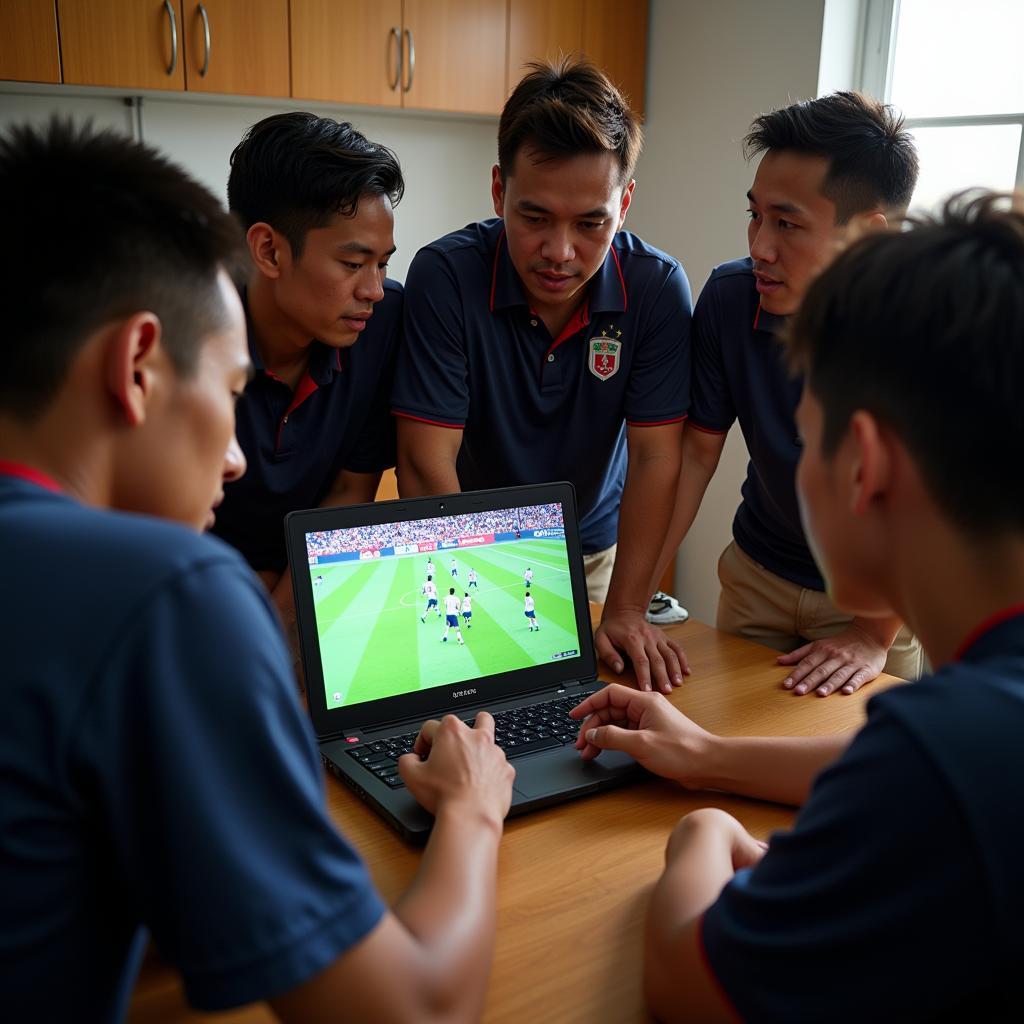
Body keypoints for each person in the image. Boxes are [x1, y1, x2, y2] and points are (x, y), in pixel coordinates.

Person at [0, 119, 514, 1023]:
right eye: (229, 388)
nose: (238, 460)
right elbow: (418, 1012)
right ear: (136, 365)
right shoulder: (168, 597)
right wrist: (473, 809)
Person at [573, 193, 1024, 1020]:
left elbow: (689, 981)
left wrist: (704, 830)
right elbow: (898, 779)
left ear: (866, 468)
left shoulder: (948, 745)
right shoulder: (972, 726)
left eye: (809, 436)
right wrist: (707, 752)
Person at [393, 57, 692, 694]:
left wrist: (630, 609)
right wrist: (478, 590)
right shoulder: (446, 276)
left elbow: (658, 457)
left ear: (626, 202)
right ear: (499, 191)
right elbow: (424, 462)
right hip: (462, 548)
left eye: (592, 223)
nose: (561, 252)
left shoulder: (657, 288)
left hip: (592, 553)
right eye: (534, 218)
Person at [654, 92, 924, 697]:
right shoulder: (732, 299)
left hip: (875, 601)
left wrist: (873, 635)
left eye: (787, 223)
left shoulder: (928, 334)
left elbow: (936, 514)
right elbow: (696, 455)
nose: (759, 246)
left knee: (854, 785)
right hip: (757, 575)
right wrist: (633, 593)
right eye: (755, 215)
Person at [211, 112, 404, 656]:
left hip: (313, 585)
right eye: (352, 263)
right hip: (203, 587)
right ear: (269, 250)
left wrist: (278, 620)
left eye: (383, 264)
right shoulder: (190, 334)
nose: (375, 290)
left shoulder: (383, 327)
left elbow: (348, 493)